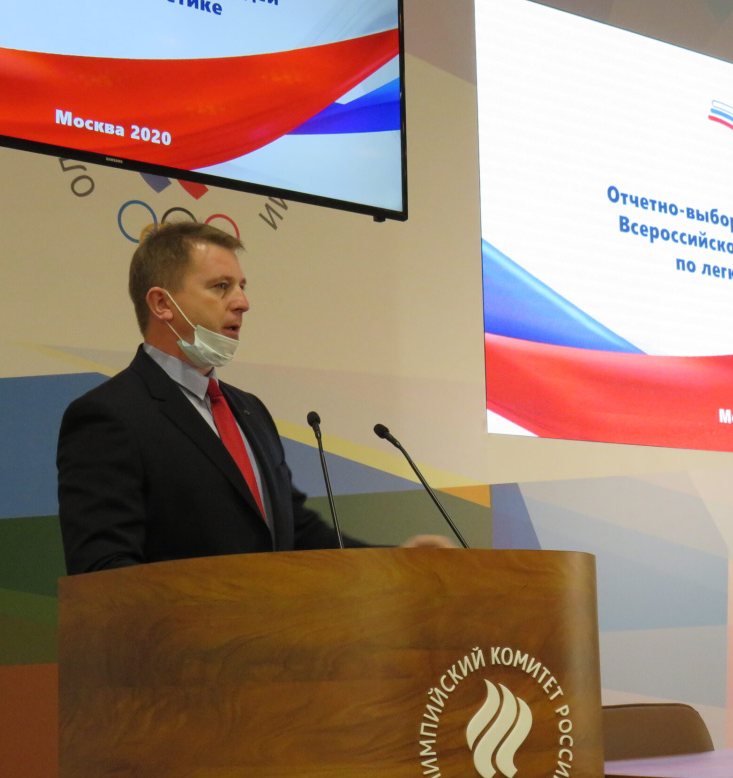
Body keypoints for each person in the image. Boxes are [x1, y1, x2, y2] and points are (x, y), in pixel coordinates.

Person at [57, 222, 448, 575]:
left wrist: (397, 562)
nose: (242, 302)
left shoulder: (249, 410)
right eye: (221, 286)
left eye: (242, 287)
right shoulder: (109, 416)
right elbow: (103, 571)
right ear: (162, 304)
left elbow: (296, 532)